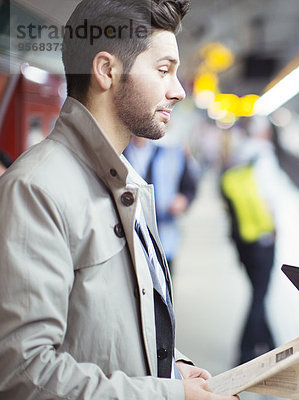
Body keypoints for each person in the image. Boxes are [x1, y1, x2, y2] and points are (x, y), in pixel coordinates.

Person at [0, 1, 237, 399]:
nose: (178, 90)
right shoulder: (36, 190)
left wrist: (170, 370)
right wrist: (170, 396)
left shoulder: (124, 182)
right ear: (107, 71)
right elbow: (24, 374)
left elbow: (111, 331)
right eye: (163, 70)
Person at [220, 116, 279, 364]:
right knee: (259, 293)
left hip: (241, 236)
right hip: (261, 235)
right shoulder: (264, 155)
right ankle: (245, 350)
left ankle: (270, 342)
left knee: (257, 289)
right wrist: (275, 226)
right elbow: (270, 195)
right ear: (264, 133)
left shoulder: (240, 152)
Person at [124, 136, 198, 270]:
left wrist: (183, 200)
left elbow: (189, 187)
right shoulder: (120, 151)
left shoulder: (172, 152)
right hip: (130, 234)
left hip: (164, 231)